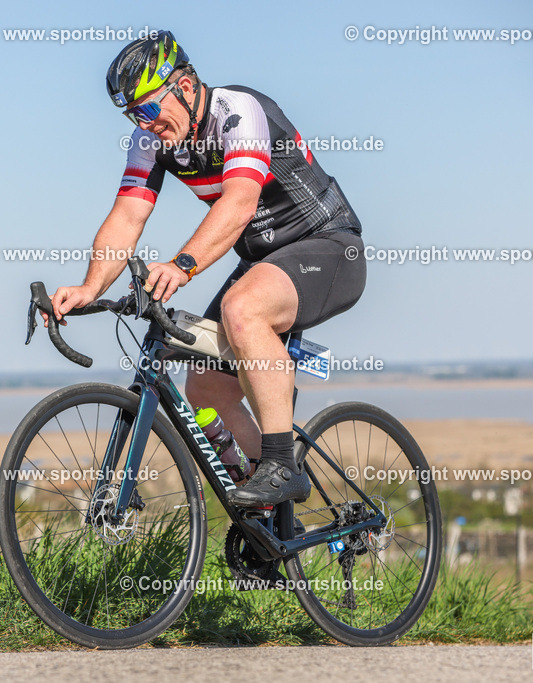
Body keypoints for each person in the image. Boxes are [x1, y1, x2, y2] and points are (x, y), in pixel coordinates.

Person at [47, 30, 366, 506]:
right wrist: (91, 287)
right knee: (205, 388)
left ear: (187, 87)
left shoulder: (239, 112)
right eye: (134, 115)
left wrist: (183, 264)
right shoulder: (151, 141)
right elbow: (128, 215)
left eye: (150, 108)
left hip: (328, 245)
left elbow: (239, 203)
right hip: (265, 262)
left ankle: (282, 467)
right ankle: (268, 517)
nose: (145, 123)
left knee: (243, 309)